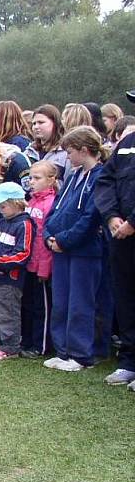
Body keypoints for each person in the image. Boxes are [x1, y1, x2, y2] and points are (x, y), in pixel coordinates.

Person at [43, 126, 109, 372]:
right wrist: (49, 235)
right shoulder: (74, 176)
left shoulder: (100, 177)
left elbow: (91, 218)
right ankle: (63, 350)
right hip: (61, 249)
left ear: (84, 150)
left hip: (85, 251)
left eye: (70, 151)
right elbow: (56, 209)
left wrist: (65, 240)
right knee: (62, 301)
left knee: (81, 303)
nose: (67, 156)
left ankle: (81, 355)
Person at [95, 90, 135, 389]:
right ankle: (129, 362)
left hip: (130, 228)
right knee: (126, 298)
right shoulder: (127, 145)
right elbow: (106, 180)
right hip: (120, 237)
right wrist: (111, 216)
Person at [0, 183, 35, 360]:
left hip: (10, 279)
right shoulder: (2, 221)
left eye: (3, 206)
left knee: (7, 311)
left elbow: (23, 254)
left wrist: (0, 262)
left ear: (16, 203)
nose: (0, 209)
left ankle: (10, 346)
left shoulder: (25, 224)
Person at [20, 160, 57, 359]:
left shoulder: (50, 203)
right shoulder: (31, 201)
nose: (32, 182)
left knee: (41, 307)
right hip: (28, 261)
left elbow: (44, 238)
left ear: (51, 180)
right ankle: (26, 339)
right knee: (27, 303)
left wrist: (44, 268)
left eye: (37, 178)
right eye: (30, 178)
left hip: (41, 265)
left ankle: (41, 344)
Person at [25, 105, 68, 180]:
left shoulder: (66, 153)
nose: (36, 127)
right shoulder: (29, 151)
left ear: (55, 124)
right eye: (34, 123)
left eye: (41, 122)